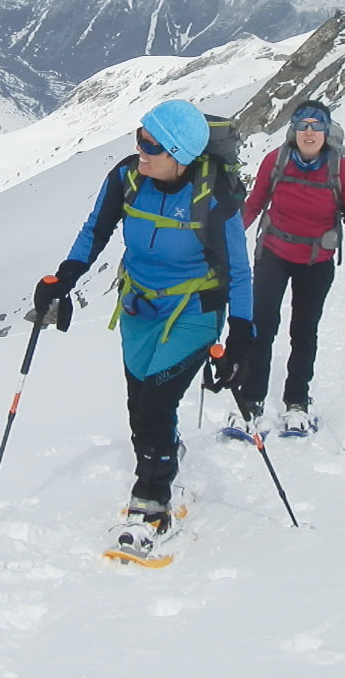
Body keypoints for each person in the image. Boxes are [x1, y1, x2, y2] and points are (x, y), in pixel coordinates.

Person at [33, 99, 254, 544]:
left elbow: (239, 270)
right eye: (140, 138)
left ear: (180, 155)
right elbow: (96, 230)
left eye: (152, 146)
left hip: (194, 315)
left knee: (155, 405)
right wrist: (64, 277)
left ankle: (152, 499)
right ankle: (163, 453)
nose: (141, 151)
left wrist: (241, 337)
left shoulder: (213, 197)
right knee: (139, 404)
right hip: (138, 309)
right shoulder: (127, 177)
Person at [237, 100, 345, 436]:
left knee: (303, 331)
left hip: (316, 260)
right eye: (303, 125)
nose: (309, 132)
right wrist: (232, 237)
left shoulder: (339, 167)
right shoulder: (275, 160)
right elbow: (255, 203)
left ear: (326, 131)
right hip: (274, 253)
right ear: (293, 130)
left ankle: (297, 401)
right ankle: (252, 399)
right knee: (261, 326)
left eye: (316, 125)